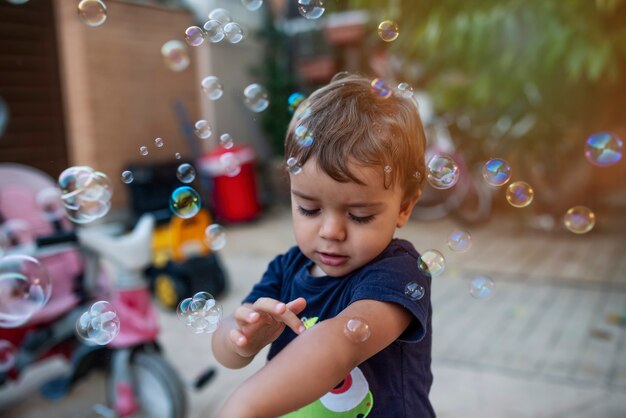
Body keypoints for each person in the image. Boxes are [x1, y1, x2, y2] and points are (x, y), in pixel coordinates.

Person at [212, 73, 435, 418]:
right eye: (309, 208)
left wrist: (243, 406)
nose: (331, 231)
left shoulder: (400, 271)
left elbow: (341, 343)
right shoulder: (286, 268)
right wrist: (239, 339)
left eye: (360, 215)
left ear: (404, 207)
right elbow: (227, 352)